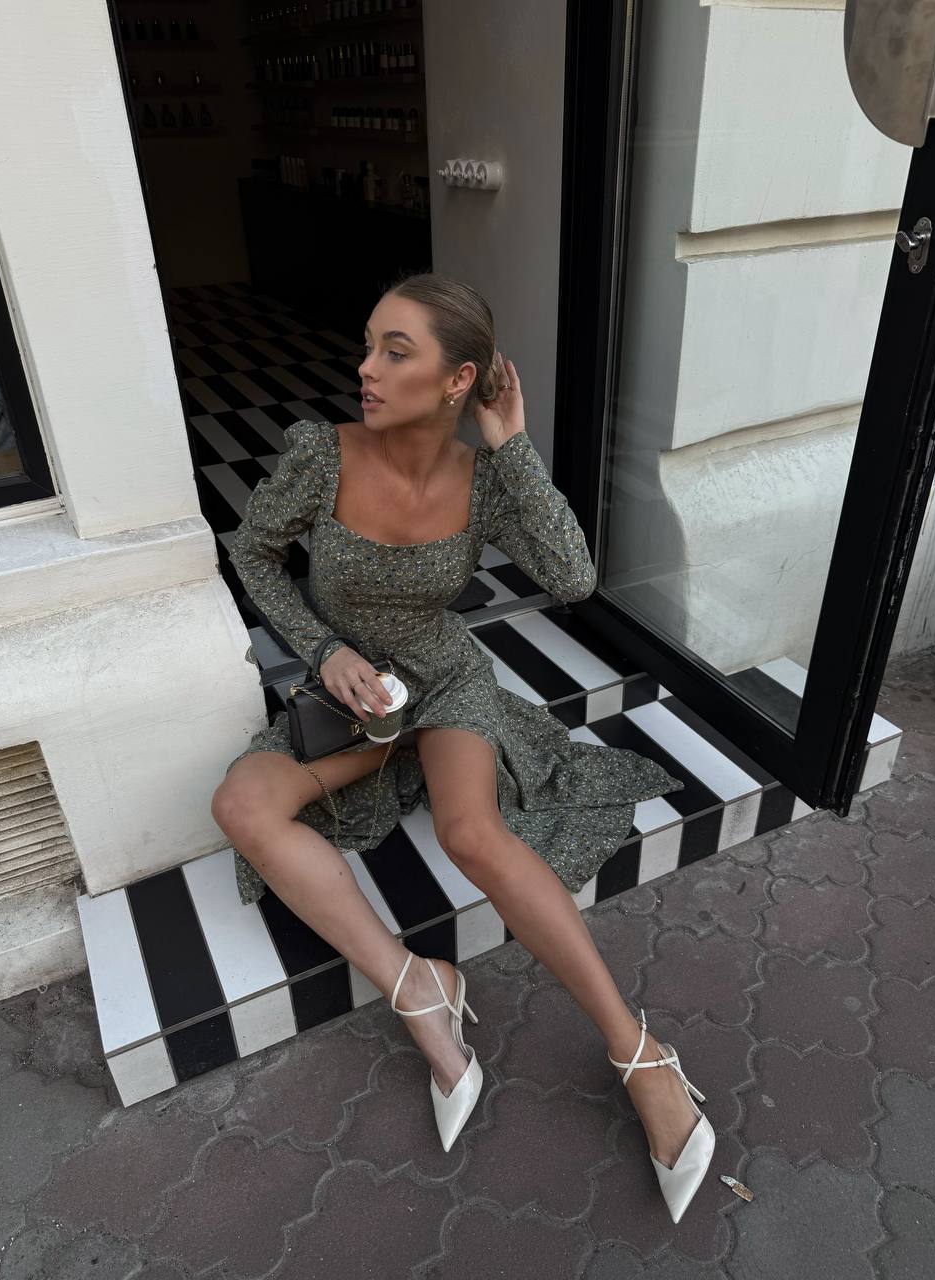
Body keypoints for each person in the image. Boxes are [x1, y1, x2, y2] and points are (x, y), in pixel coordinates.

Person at [211, 271, 713, 1220]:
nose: (366, 368)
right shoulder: (323, 456)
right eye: (368, 344)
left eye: (395, 352)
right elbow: (251, 552)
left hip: (443, 681)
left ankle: (642, 1056)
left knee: (474, 835)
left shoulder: (484, 481)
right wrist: (323, 650)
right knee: (240, 804)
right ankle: (417, 986)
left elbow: (572, 577)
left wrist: (513, 444)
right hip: (354, 695)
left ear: (457, 380)